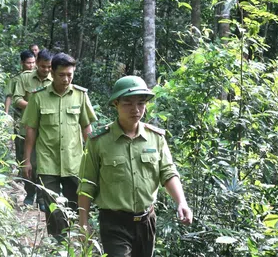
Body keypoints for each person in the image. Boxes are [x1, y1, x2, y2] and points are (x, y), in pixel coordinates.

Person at [78, 76, 193, 257]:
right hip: (113, 221)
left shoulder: (156, 138)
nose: (136, 109)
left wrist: (181, 202)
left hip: (146, 221)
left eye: (141, 103)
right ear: (116, 104)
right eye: (128, 103)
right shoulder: (98, 141)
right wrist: (83, 223)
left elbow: (168, 172)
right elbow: (87, 183)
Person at [22, 52, 97, 236]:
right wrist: (27, 160)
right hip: (48, 161)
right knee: (52, 207)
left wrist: (95, 158)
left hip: (74, 161)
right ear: (52, 74)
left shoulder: (80, 96)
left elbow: (86, 127)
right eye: (62, 75)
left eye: (70, 75)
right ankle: (58, 242)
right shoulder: (38, 97)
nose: (66, 79)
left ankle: (72, 238)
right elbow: (31, 129)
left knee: (74, 204)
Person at [13, 49, 53, 208]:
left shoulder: (55, 80)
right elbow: (17, 99)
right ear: (36, 64)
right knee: (28, 163)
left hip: (46, 131)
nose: (46, 70)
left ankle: (43, 198)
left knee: (44, 165)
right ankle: (30, 193)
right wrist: (34, 107)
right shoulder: (25, 78)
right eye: (43, 66)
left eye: (49, 67)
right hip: (27, 127)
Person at [3, 50, 36, 115]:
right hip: (20, 112)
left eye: (33, 62)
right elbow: (9, 97)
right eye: (28, 63)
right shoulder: (15, 79)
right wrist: (6, 114)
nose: (31, 65)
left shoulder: (39, 76)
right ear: (22, 63)